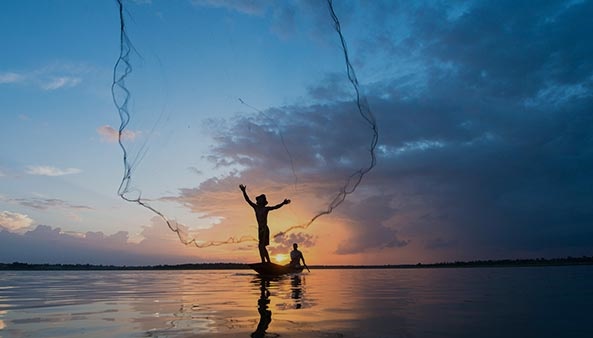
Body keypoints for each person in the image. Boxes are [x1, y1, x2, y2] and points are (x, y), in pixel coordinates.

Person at [239, 184, 290, 263]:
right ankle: (264, 261)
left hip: (265, 229)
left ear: (263, 201)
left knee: (261, 246)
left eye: (261, 199)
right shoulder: (255, 207)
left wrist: (283, 203)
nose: (259, 200)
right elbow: (247, 200)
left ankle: (267, 262)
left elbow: (276, 207)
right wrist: (244, 191)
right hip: (260, 229)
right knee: (260, 247)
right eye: (259, 199)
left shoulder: (266, 209)